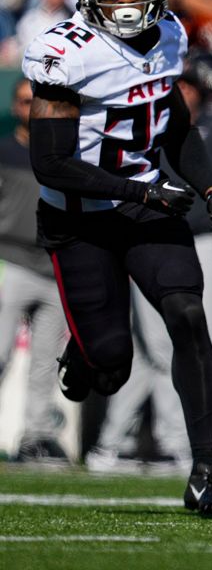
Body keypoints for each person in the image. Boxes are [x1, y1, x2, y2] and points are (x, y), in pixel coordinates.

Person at [22, 0, 212, 517]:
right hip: (82, 220)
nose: (127, 2)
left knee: (189, 314)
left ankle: (204, 470)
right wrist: (143, 194)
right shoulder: (65, 51)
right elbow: (51, 162)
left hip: (146, 205)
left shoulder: (169, 32)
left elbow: (173, 124)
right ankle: (88, 353)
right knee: (113, 364)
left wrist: (211, 188)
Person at [89, 52, 212, 474]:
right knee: (161, 346)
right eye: (175, 83)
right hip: (150, 239)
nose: (180, 90)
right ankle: (173, 439)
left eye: (188, 85)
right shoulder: (138, 129)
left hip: (203, 242)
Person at [0, 79, 69, 464]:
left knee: (46, 361)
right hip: (9, 262)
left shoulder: (63, 156)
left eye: (37, 102)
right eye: (25, 101)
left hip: (53, 267)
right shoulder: (4, 152)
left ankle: (37, 437)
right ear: (14, 107)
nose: (31, 108)